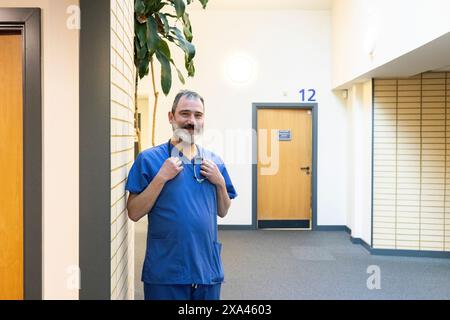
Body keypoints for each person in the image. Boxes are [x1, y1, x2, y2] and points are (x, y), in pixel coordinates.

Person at [125, 90, 237, 300]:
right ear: (171, 117)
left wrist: (220, 183)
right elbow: (134, 212)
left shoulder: (213, 161)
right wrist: (161, 177)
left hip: (206, 270)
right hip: (166, 272)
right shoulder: (149, 159)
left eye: (198, 115)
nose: (191, 121)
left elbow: (223, 211)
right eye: (185, 113)